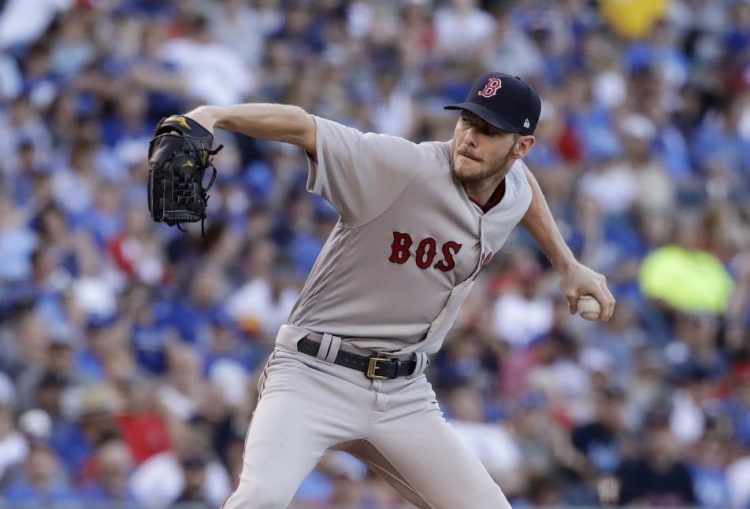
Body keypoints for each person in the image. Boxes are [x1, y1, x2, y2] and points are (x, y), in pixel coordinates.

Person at [182, 72, 615, 509]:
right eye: (467, 121)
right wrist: (213, 114)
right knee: (260, 498)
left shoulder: (511, 184)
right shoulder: (404, 167)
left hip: (403, 393)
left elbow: (523, 190)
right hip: (313, 374)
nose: (469, 137)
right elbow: (303, 126)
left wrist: (566, 263)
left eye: (489, 132)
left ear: (521, 147)